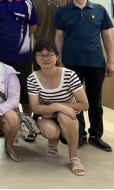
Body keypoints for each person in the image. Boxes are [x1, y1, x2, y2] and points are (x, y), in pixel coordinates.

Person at [54, 0, 114, 152]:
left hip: (95, 62)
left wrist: (110, 61)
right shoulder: (62, 11)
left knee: (95, 100)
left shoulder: (99, 9)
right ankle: (79, 133)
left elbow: (107, 37)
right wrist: (60, 61)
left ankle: (96, 134)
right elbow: (59, 37)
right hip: (71, 63)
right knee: (74, 100)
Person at [28, 40, 89, 176]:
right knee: (50, 131)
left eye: (49, 54)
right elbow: (35, 108)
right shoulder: (32, 78)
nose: (45, 58)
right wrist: (56, 107)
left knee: (65, 116)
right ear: (36, 58)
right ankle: (52, 143)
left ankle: (74, 157)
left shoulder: (69, 75)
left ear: (56, 57)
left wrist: (58, 109)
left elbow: (84, 105)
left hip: (68, 114)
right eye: (40, 55)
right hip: (45, 114)